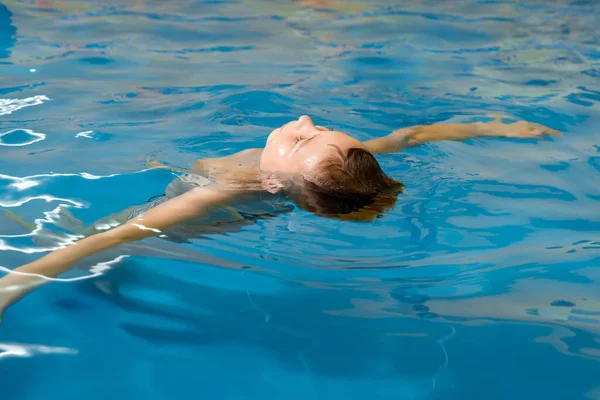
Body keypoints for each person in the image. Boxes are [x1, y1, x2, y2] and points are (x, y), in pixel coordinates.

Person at [0, 114, 560, 321]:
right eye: (314, 129)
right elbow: (410, 135)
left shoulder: (218, 195)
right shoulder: (336, 164)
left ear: (272, 181)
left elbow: (119, 233)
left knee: (99, 239)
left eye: (302, 137)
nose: (304, 117)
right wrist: (495, 127)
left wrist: (9, 289)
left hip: (193, 220)